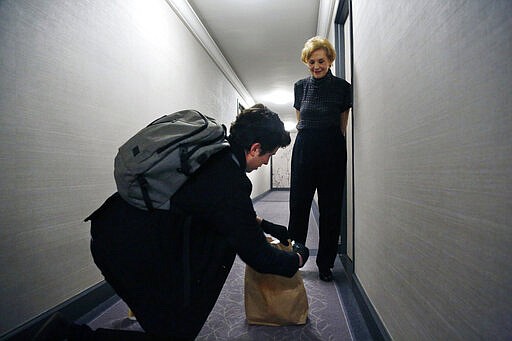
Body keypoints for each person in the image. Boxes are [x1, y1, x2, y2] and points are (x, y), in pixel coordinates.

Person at [33, 104, 310, 341]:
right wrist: (296, 259)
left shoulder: (215, 157)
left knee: (171, 324)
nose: (266, 163)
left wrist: (268, 227)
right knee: (174, 334)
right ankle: (66, 335)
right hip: (126, 249)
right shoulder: (228, 179)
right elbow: (257, 255)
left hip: (120, 232)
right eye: (269, 155)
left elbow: (228, 215)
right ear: (255, 148)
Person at [288, 36, 352, 282]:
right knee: (299, 204)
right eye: (312, 62)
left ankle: (325, 264)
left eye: (321, 61)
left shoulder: (342, 88)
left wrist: (333, 143)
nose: (316, 66)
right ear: (307, 62)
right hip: (305, 146)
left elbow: (342, 125)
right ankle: (295, 258)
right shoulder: (299, 86)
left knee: (330, 207)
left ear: (330, 60)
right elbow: (300, 119)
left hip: (332, 147)